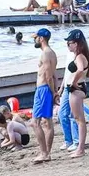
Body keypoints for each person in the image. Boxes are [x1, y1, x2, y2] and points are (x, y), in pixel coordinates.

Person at [61, 29, 89, 158]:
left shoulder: (79, 56)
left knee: (79, 120)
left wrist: (73, 82)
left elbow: (79, 70)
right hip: (75, 89)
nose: (68, 45)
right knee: (77, 118)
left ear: (77, 43)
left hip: (76, 89)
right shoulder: (80, 55)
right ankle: (79, 148)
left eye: (70, 43)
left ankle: (80, 148)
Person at [31, 28, 58, 162]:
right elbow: (54, 75)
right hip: (47, 89)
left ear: (41, 38)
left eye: (35, 38)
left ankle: (44, 153)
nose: (34, 40)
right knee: (47, 122)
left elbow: (48, 76)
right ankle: (46, 152)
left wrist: (53, 92)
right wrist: (56, 91)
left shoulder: (45, 54)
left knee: (35, 122)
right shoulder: (52, 53)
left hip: (43, 89)